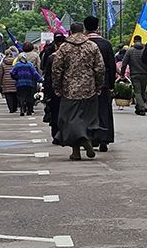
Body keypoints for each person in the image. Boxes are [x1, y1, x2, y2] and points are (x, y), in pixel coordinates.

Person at [51, 22, 105, 160]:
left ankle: (77, 149)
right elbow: (100, 68)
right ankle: (84, 141)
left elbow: (56, 69)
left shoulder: (64, 48)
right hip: (89, 88)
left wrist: (57, 87)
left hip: (69, 89)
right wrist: (99, 85)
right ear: (84, 31)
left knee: (69, 120)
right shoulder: (92, 46)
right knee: (87, 118)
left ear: (70, 32)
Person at [84, 16, 116, 152]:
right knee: (104, 110)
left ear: (85, 27)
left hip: (87, 83)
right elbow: (111, 65)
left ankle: (91, 138)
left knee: (88, 111)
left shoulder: (84, 44)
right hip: (104, 83)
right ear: (97, 27)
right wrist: (112, 83)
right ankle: (104, 138)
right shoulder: (106, 44)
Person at [41, 34, 65, 142]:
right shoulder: (68, 53)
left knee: (55, 112)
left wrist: (46, 91)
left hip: (53, 88)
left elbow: (46, 72)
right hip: (68, 88)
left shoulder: (50, 54)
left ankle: (56, 135)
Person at [120, 35, 147, 116]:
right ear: (140, 40)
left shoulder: (130, 51)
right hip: (144, 73)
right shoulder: (145, 50)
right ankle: (139, 108)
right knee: (142, 91)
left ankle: (142, 108)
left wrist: (122, 74)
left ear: (134, 40)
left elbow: (124, 63)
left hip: (134, 73)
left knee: (137, 92)